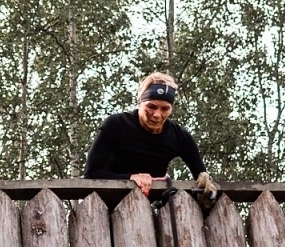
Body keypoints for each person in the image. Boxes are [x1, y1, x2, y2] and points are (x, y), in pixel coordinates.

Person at [83, 71, 219, 199]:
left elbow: (202, 178)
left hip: (152, 207)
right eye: (151, 106)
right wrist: (131, 177)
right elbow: (91, 174)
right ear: (139, 103)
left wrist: (206, 186)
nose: (157, 114)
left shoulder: (179, 136)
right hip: (105, 204)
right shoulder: (116, 124)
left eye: (165, 108)